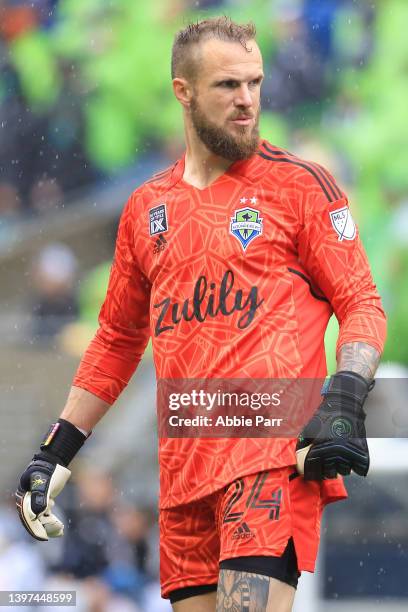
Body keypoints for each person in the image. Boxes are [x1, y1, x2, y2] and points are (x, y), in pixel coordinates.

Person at [15, 17, 386, 612]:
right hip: (184, 468)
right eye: (227, 86)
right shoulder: (145, 208)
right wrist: (53, 452)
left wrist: (344, 396)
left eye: (255, 83)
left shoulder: (300, 187)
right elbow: (115, 339)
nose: (247, 101)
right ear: (182, 91)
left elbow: (363, 304)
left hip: (269, 455)